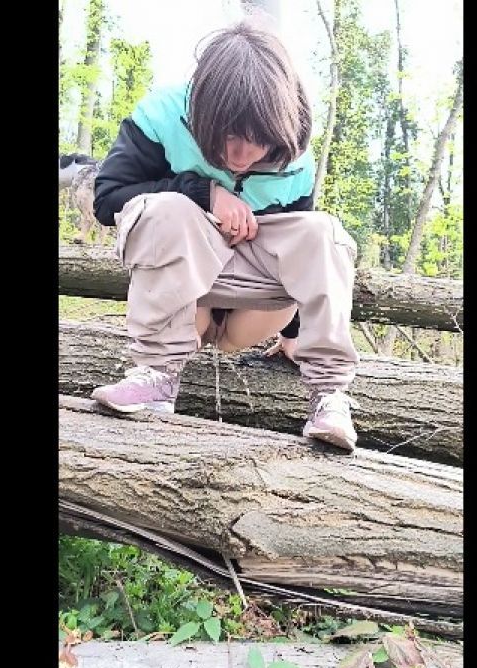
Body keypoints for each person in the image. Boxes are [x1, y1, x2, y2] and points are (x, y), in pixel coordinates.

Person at [88, 20, 361, 451]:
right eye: (229, 137)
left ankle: (329, 395)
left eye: (257, 143)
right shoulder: (161, 114)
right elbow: (108, 200)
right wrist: (203, 191)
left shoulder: (295, 154)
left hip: (252, 313)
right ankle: (156, 375)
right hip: (184, 303)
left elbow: (297, 256)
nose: (239, 156)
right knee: (166, 209)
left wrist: (292, 335)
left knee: (323, 231)